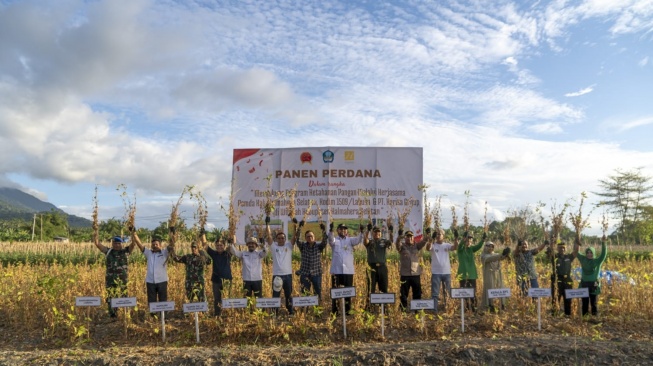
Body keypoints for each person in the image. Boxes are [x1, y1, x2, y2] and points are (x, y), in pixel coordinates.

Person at [93, 235, 136, 318]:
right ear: (112, 243)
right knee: (110, 297)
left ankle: (124, 313)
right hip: (110, 280)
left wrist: (132, 231)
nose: (117, 245)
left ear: (121, 244)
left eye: (119, 243)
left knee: (123, 296)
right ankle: (113, 314)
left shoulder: (126, 251)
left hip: (122, 280)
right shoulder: (108, 251)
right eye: (115, 243)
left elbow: (133, 244)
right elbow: (97, 244)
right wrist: (96, 231)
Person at [133, 228, 173, 310]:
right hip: (150, 281)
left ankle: (163, 317)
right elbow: (139, 243)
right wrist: (134, 233)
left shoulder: (164, 253)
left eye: (156, 244)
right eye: (153, 244)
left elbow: (172, 244)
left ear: (160, 245)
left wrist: (172, 233)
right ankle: (153, 316)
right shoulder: (149, 253)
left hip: (162, 281)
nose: (154, 246)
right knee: (151, 301)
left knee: (163, 300)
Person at [329, 223, 363, 315]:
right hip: (336, 270)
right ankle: (335, 310)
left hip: (348, 271)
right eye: (341, 229)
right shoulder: (335, 240)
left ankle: (348, 310)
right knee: (336, 292)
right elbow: (330, 240)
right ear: (338, 230)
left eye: (345, 229)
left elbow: (358, 240)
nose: (343, 231)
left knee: (348, 291)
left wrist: (362, 232)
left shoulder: (350, 240)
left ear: (346, 231)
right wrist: (330, 230)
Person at [574, 234, 607, 316]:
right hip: (584, 284)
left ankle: (594, 318)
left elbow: (603, 254)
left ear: (593, 253)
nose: (589, 254)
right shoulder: (583, 259)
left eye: (591, 253)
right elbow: (576, 251)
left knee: (594, 303)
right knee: (584, 303)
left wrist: (603, 242)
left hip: (594, 285)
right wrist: (576, 240)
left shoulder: (597, 261)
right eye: (588, 253)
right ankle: (585, 318)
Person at [426, 228, 458, 313]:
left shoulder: (446, 245)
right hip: (436, 273)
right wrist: (431, 240)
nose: (438, 235)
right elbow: (427, 248)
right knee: (435, 293)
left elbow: (455, 247)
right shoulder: (433, 245)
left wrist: (456, 237)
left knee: (447, 292)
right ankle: (434, 309)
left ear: (443, 236)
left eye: (440, 234)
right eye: (437, 234)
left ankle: (447, 308)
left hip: (446, 273)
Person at [171, 235, 211, 302]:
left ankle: (203, 312)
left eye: (195, 247)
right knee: (190, 299)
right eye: (192, 247)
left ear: (198, 248)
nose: (193, 249)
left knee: (202, 299)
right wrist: (171, 250)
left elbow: (209, 261)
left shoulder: (202, 258)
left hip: (199, 282)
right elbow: (176, 258)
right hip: (189, 282)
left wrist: (202, 252)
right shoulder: (188, 257)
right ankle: (192, 312)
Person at [293, 223, 328, 300]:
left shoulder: (319, 247)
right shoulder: (302, 246)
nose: (309, 238)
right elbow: (297, 240)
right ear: (305, 238)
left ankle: (317, 309)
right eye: (308, 236)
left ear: (314, 237)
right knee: (305, 293)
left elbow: (325, 241)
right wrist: (299, 228)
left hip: (316, 274)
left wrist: (323, 230)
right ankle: (306, 310)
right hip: (305, 274)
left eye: (311, 236)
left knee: (317, 293)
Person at [396, 229, 429, 311]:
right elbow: (397, 245)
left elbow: (424, 241)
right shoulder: (402, 247)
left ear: (413, 238)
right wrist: (399, 237)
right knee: (403, 294)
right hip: (405, 275)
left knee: (417, 293)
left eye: (411, 237)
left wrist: (427, 233)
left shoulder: (416, 246)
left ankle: (417, 310)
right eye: (407, 237)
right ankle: (403, 310)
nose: (409, 238)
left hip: (415, 274)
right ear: (405, 238)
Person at [363, 224, 394, 309]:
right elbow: (365, 241)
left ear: (380, 233)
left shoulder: (383, 241)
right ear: (372, 233)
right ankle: (369, 307)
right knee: (370, 288)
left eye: (378, 232)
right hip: (371, 267)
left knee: (383, 287)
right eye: (375, 232)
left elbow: (391, 242)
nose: (377, 234)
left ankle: (384, 307)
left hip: (382, 267)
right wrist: (367, 231)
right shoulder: (370, 242)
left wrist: (391, 232)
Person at [268, 216, 294, 315]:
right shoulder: (274, 247)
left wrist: (295, 225)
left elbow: (294, 237)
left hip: (288, 275)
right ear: (276, 239)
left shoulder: (289, 246)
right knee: (275, 295)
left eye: (282, 238)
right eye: (279, 238)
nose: (281, 239)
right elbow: (269, 236)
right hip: (277, 275)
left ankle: (290, 311)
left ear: (285, 239)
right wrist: (267, 225)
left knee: (289, 295)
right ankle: (275, 312)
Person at [231, 235, 268, 300]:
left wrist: (263, 244)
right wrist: (231, 243)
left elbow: (266, 252)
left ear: (256, 245)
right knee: (246, 299)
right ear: (247, 245)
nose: (251, 245)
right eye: (249, 243)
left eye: (253, 244)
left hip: (257, 280)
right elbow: (234, 252)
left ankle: (260, 310)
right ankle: (248, 310)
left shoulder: (259, 254)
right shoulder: (243, 253)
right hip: (246, 280)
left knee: (259, 298)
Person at [205, 232, 233, 317]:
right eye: (217, 245)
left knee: (226, 298)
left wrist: (232, 231)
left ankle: (227, 314)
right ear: (215, 246)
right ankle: (217, 315)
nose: (219, 247)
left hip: (227, 280)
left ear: (224, 246)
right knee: (217, 299)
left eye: (221, 245)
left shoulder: (228, 254)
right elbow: (205, 245)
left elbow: (233, 244)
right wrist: (203, 232)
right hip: (216, 281)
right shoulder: (214, 254)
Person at [456, 231, 485, 311]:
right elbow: (460, 245)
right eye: (467, 240)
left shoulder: (472, 249)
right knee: (464, 293)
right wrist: (463, 239)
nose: (468, 242)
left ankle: (473, 307)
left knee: (473, 292)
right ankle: (466, 308)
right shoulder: (461, 250)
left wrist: (483, 240)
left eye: (470, 241)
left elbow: (478, 246)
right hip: (463, 274)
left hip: (472, 274)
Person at [480, 241, 511, 313]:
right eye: (489, 246)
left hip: (497, 275)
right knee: (489, 289)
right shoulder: (483, 256)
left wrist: (506, 254)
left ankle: (501, 305)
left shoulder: (496, 254)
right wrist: (501, 255)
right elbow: (490, 259)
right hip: (489, 275)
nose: (491, 248)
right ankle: (490, 305)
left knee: (499, 288)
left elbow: (501, 257)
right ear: (485, 247)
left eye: (492, 246)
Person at [550, 240, 576, 316]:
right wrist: (553, 239)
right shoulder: (554, 257)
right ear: (557, 248)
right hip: (557, 280)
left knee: (568, 298)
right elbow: (551, 249)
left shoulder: (569, 257)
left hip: (567, 280)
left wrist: (577, 235)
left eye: (563, 248)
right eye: (560, 248)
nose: (562, 249)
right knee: (555, 298)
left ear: (565, 248)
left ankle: (567, 314)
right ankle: (554, 315)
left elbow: (576, 251)